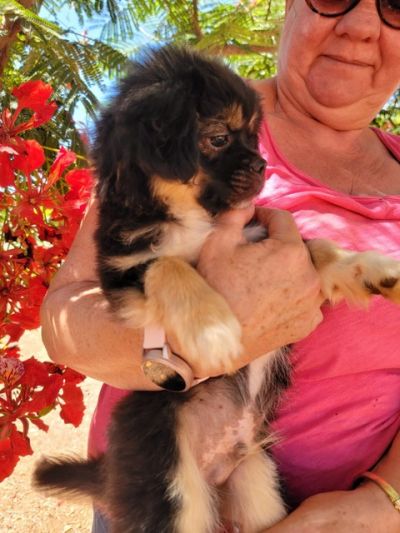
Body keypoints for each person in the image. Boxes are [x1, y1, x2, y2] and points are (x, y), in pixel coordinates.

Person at [40, 0, 400, 530]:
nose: (362, 26)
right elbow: (72, 309)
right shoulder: (180, 114)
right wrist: (178, 346)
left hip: (290, 483)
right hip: (168, 464)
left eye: (395, 6)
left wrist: (385, 500)